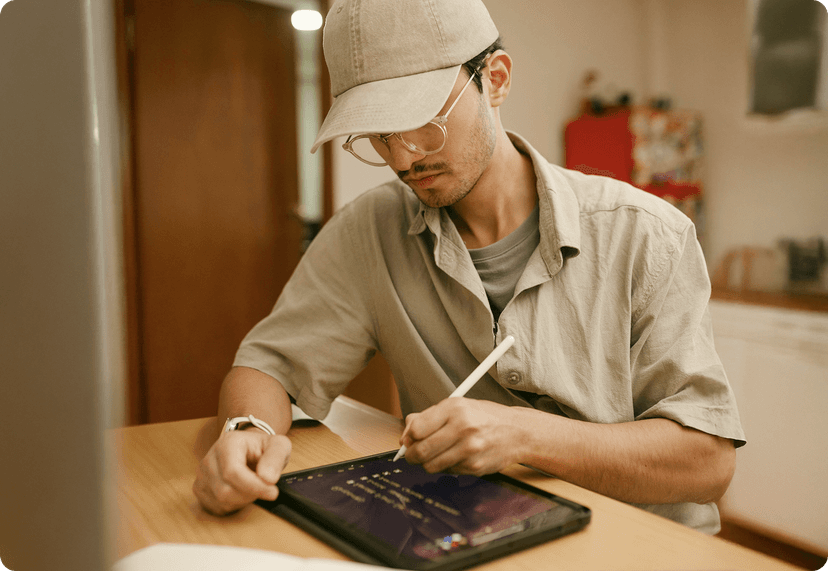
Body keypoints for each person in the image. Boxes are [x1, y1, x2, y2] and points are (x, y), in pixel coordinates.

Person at [193, 0, 745, 534]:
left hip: (643, 548)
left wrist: (525, 435)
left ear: (496, 78)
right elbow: (269, 365)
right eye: (378, 135)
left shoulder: (646, 233)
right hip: (480, 537)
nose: (404, 157)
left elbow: (707, 461)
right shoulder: (370, 231)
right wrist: (247, 429)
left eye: (421, 120)